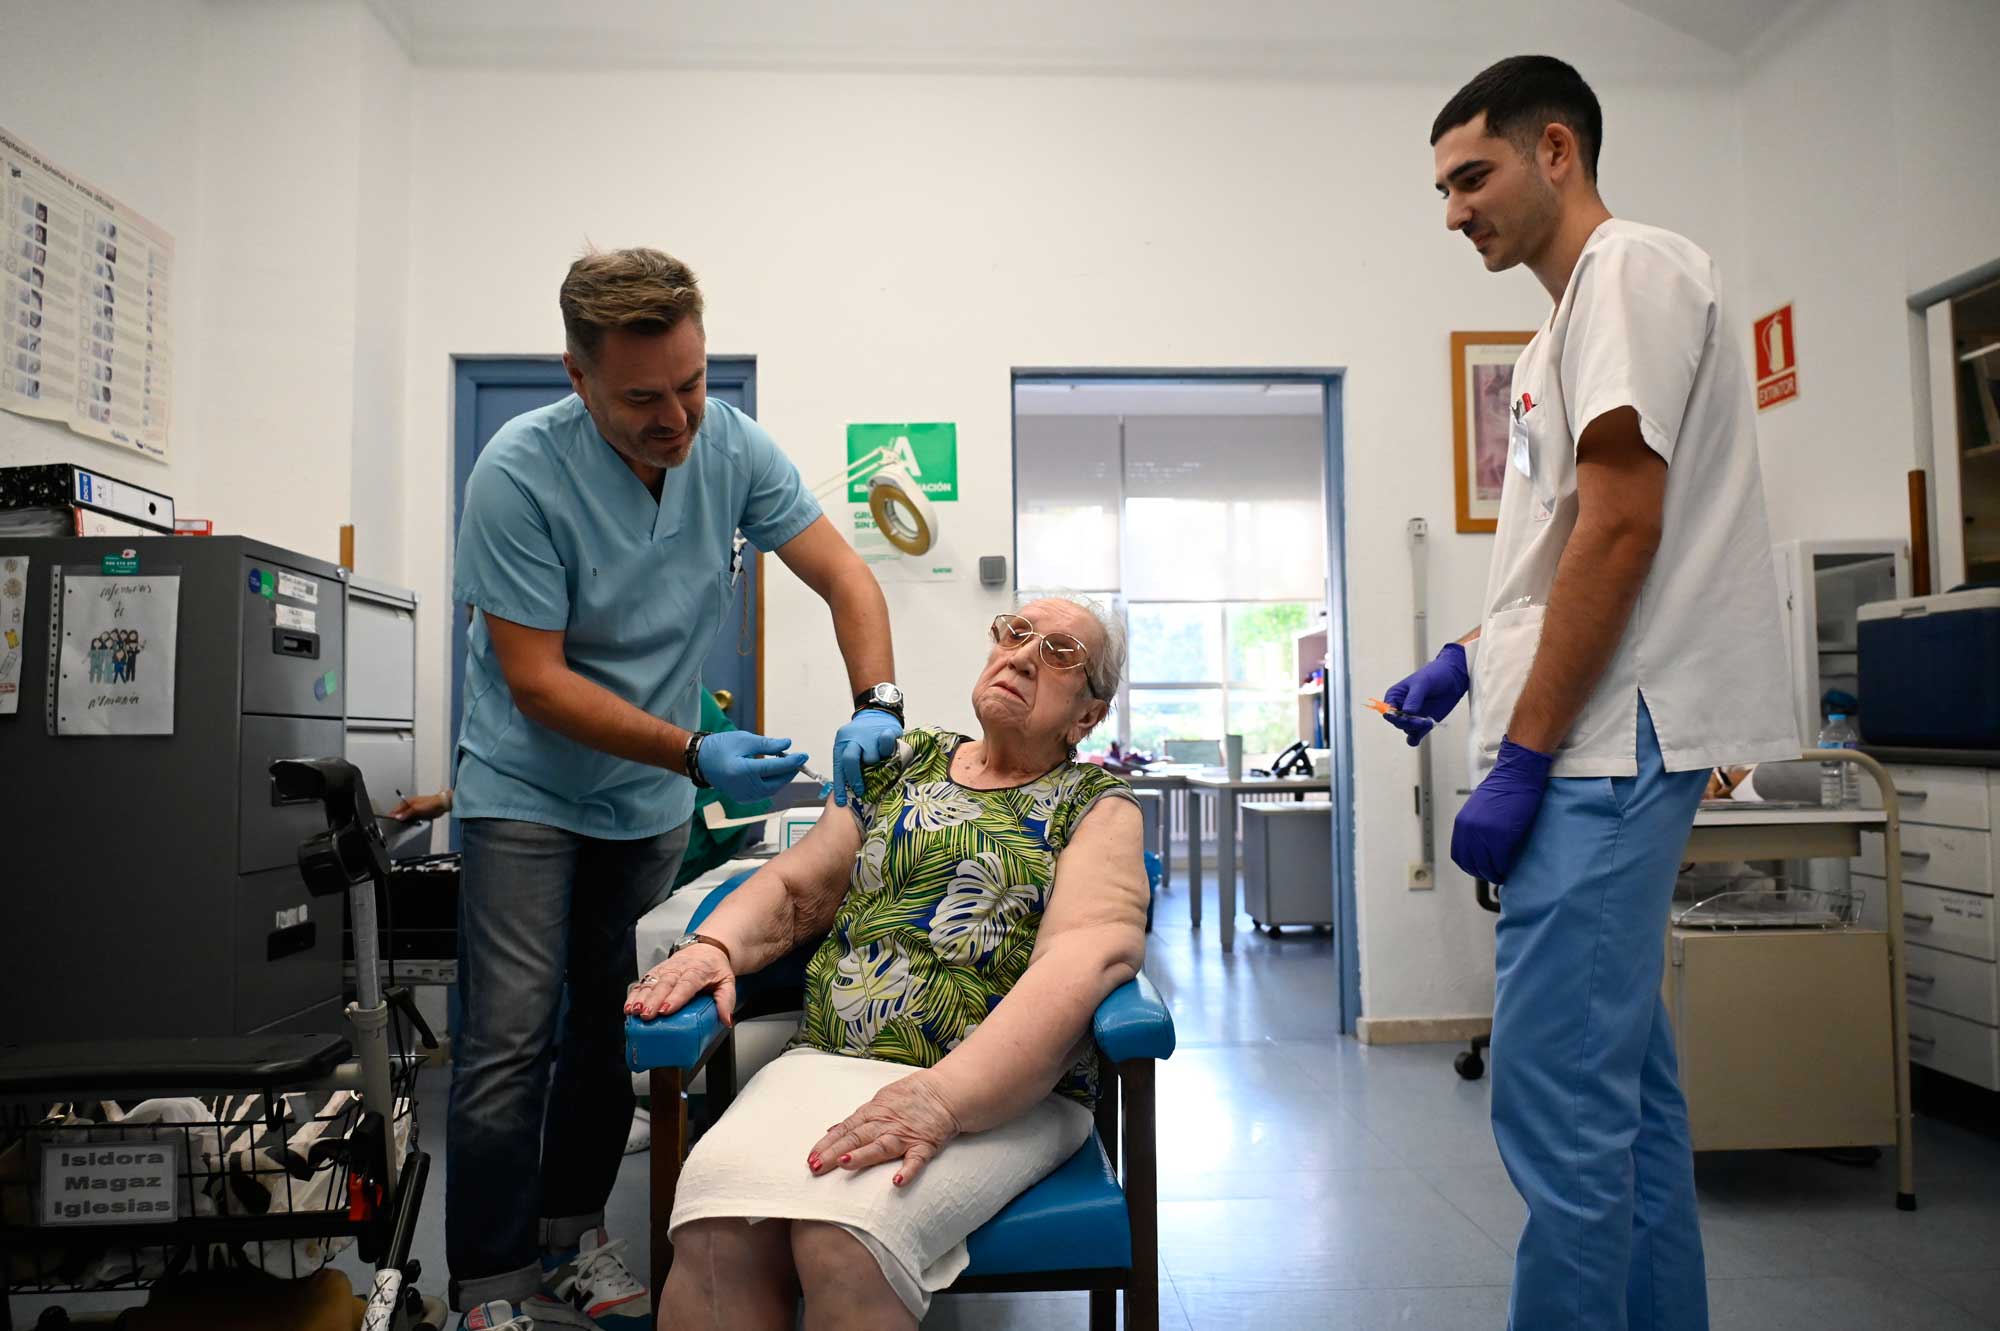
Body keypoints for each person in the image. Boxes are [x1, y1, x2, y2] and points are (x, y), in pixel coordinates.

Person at [1385, 56, 1798, 1331]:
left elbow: (1622, 528)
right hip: (1596, 732)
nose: (1452, 211)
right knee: (1620, 1100)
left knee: (1557, 1099)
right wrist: (1469, 653)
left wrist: (1519, 753)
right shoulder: (1557, 328)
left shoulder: (1629, 268)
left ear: (1553, 149)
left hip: (1606, 749)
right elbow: (1567, 545)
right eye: (1442, 188)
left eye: (1472, 176)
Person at [446, 247, 907, 1330]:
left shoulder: (731, 447)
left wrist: (877, 698)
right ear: (578, 377)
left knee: (614, 1026)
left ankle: (569, 1237)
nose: (677, 416)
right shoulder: (517, 474)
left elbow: (843, 573)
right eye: (643, 396)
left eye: (692, 382)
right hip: (526, 785)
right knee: (511, 1034)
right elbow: (536, 679)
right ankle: (488, 1280)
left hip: (645, 801)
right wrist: (694, 752)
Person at [621, 596, 1148, 1331]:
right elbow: (798, 887)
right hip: (825, 1061)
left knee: (843, 1240)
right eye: (1016, 632)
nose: (1024, 654)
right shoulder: (906, 761)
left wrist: (942, 1098)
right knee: (716, 1233)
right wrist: (714, 947)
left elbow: (1082, 964)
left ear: (1088, 716)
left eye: (1060, 653)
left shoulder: (1097, 806)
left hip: (996, 1093)